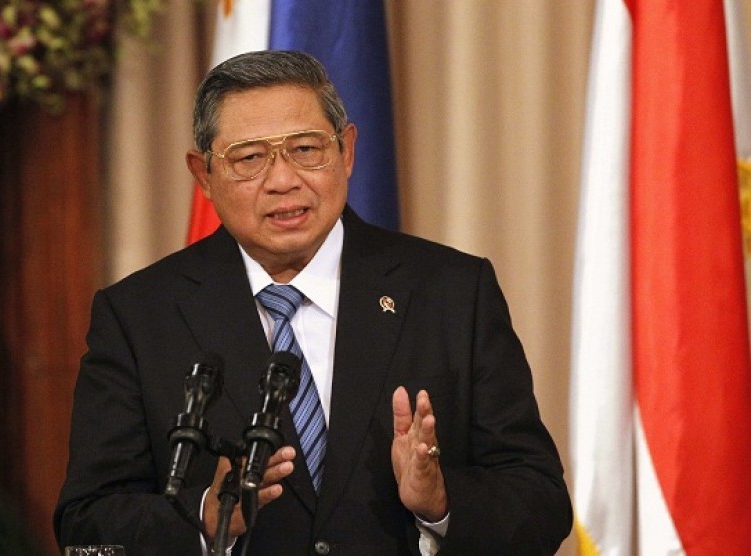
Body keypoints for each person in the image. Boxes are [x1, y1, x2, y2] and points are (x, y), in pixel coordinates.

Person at [54, 50, 572, 555]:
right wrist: (207, 516)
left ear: (346, 151)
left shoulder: (452, 291)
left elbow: (541, 504)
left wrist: (440, 502)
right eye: (250, 158)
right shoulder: (139, 315)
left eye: (305, 149)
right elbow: (86, 531)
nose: (283, 181)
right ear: (203, 175)